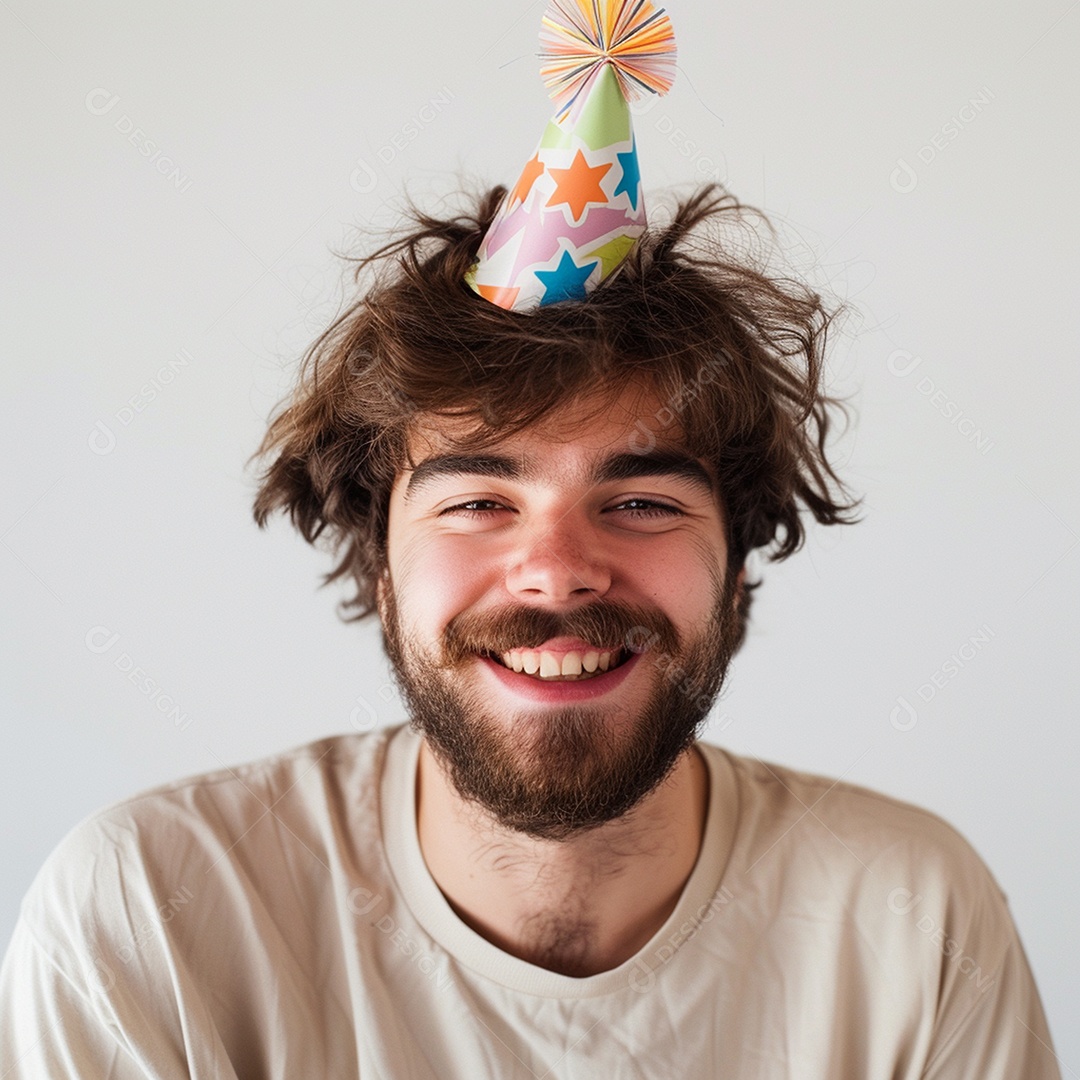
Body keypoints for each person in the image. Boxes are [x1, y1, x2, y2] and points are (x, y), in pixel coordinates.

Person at [0, 0, 1063, 1074]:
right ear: (378, 561)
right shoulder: (146, 917)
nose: (556, 568)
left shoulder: (912, 919)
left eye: (643, 502)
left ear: (738, 567)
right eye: (478, 502)